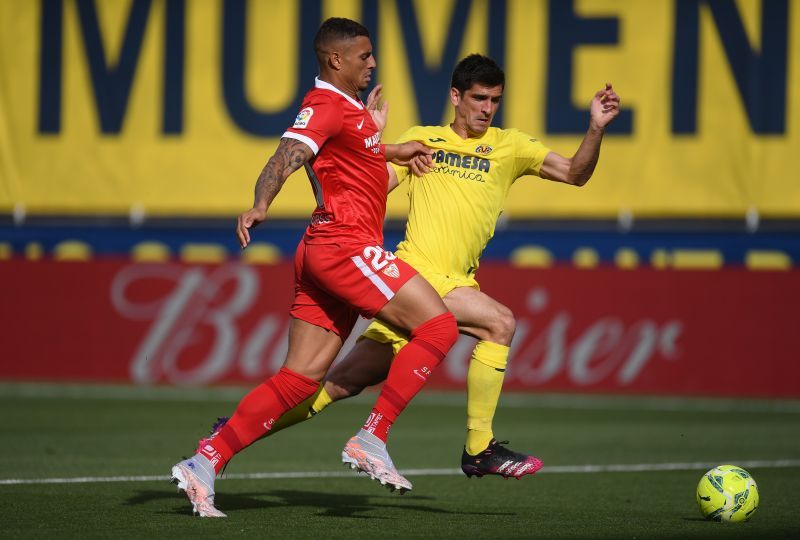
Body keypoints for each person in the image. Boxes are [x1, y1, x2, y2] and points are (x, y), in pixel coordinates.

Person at [216, 54, 622, 480]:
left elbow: (576, 174)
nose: (487, 108)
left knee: (338, 385)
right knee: (499, 323)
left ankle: (229, 436)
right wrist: (371, 142)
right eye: (479, 98)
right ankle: (479, 447)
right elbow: (367, 188)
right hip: (413, 275)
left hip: (451, 283)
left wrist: (595, 127)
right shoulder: (423, 141)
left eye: (495, 100)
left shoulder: (510, 147)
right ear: (455, 97)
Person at [170, 17, 458, 518]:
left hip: (323, 250)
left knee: (300, 380)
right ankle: (373, 437)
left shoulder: (349, 109)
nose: (373, 63)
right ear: (335, 60)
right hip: (344, 244)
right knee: (438, 326)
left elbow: (347, 153)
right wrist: (260, 204)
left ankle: (204, 461)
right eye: (364, 56)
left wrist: (391, 147)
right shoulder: (324, 103)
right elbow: (288, 154)